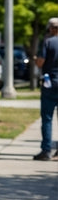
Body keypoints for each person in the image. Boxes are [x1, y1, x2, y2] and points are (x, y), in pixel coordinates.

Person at [33, 17, 58, 161]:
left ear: (50, 28)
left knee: (47, 118)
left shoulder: (47, 42)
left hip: (50, 83)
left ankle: (46, 151)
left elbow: (40, 62)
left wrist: (36, 60)